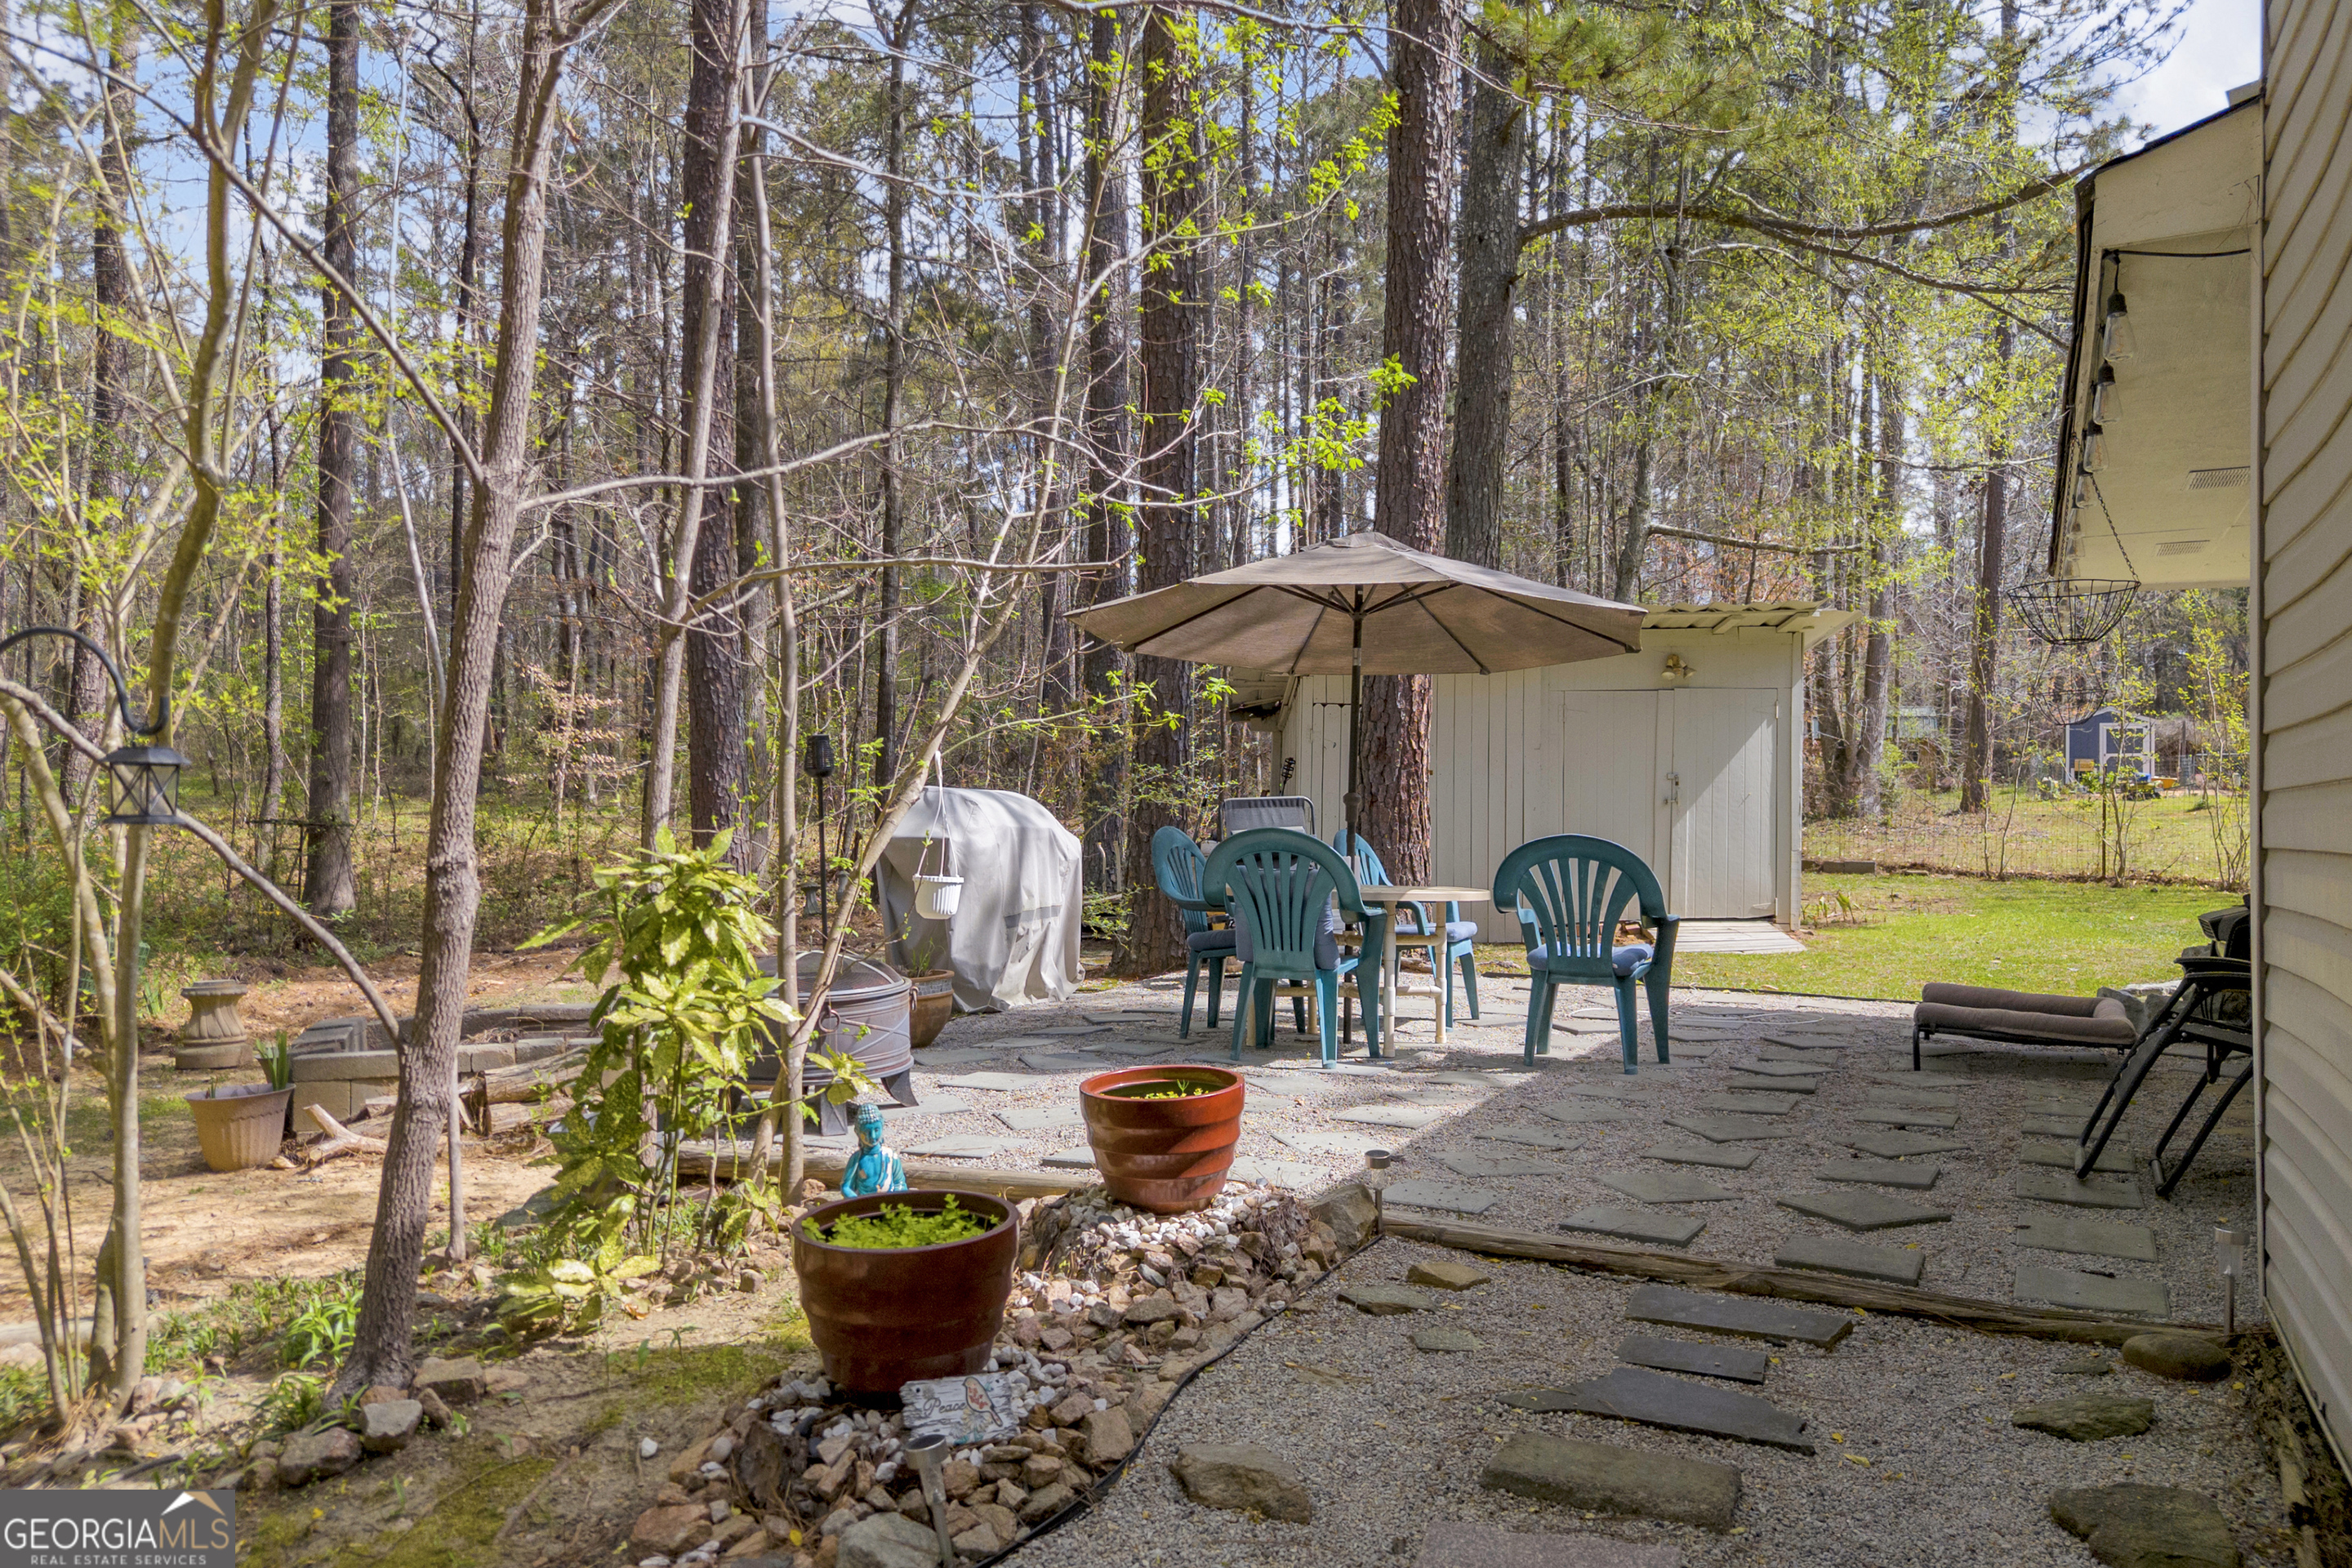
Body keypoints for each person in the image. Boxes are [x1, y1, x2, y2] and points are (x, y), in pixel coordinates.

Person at [839, 1102, 907, 1197]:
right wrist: (856, 1202)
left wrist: (896, 1199)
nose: (873, 1136)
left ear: (882, 1128)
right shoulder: (856, 1159)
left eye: (876, 1130)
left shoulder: (891, 1156)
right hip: (865, 1204)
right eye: (866, 1132)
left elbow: (900, 1183)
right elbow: (846, 1187)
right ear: (857, 1132)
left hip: (890, 1202)